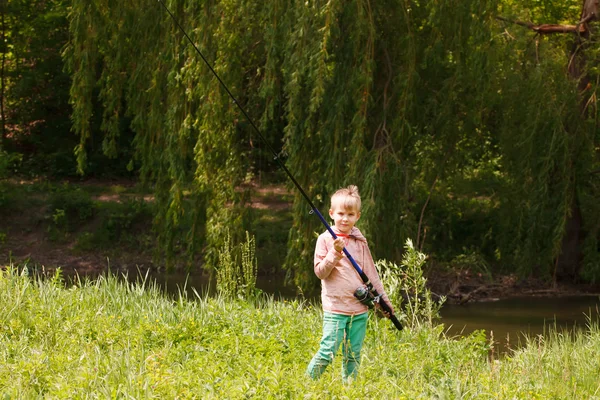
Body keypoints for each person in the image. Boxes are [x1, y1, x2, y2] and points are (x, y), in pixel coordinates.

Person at [306, 185, 393, 382]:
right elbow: (320, 272)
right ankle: (307, 384)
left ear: (358, 216)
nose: (345, 218)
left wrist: (384, 302)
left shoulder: (359, 242)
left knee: (353, 355)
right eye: (341, 213)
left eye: (350, 214)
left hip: (359, 310)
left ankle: (350, 390)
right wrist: (335, 252)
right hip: (335, 308)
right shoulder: (325, 240)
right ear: (331, 213)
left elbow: (372, 275)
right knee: (328, 351)